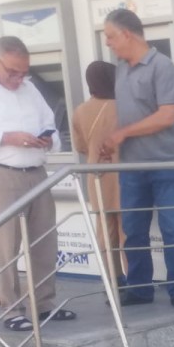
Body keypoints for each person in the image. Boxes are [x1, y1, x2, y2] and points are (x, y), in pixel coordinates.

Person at [0, 36, 74, 331]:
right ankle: (12, 309)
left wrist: (47, 139)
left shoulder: (29, 89)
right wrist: (8, 138)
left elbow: (51, 124)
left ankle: (44, 304)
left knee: (44, 241)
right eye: (13, 72)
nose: (19, 78)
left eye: (23, 72)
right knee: (6, 243)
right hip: (0, 172)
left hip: (36, 172)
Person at [100, 8, 174, 310]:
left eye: (110, 36)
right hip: (132, 167)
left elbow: (167, 116)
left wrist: (123, 134)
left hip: (166, 165)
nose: (108, 43)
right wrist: (111, 140)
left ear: (127, 34)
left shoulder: (163, 67)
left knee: (172, 229)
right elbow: (128, 114)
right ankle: (140, 290)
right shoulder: (120, 70)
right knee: (133, 231)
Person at [71, 61, 125, 287]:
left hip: (96, 174)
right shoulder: (122, 106)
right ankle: (134, 280)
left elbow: (80, 147)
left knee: (105, 230)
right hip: (122, 174)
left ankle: (112, 281)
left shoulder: (80, 111)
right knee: (127, 230)